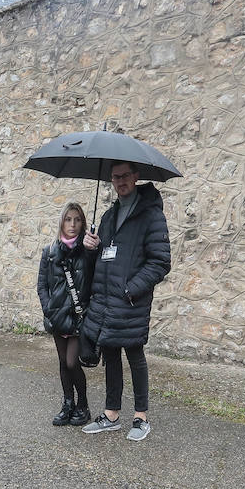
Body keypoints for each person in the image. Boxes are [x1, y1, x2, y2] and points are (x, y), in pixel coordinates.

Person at [79, 161, 172, 442]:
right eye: (115, 177)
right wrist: (91, 249)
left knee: (134, 355)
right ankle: (111, 415)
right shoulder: (109, 216)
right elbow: (105, 258)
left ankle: (141, 417)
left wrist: (132, 289)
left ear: (135, 177)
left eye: (125, 176)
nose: (120, 182)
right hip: (107, 300)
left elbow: (160, 262)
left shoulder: (151, 216)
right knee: (110, 353)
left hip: (131, 300)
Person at [36, 201, 91, 426]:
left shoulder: (88, 252)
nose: (73, 224)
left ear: (83, 223)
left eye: (77, 220)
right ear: (61, 222)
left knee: (71, 362)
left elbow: (94, 282)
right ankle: (67, 404)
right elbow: (41, 286)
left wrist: (92, 251)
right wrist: (49, 309)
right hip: (57, 317)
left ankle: (83, 405)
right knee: (61, 361)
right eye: (68, 219)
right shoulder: (49, 252)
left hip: (79, 317)